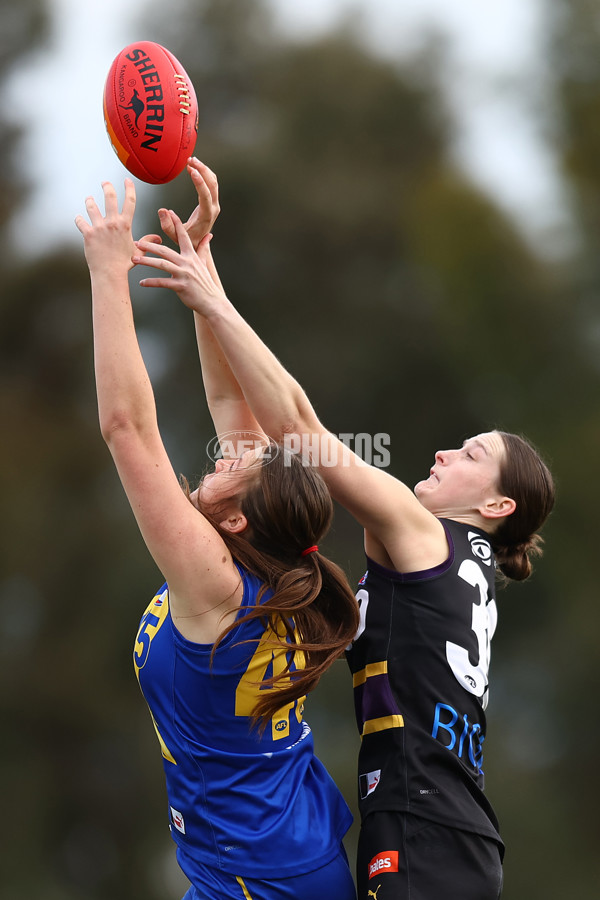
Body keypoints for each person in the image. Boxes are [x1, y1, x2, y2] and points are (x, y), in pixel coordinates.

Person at [133, 159, 555, 900]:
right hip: (432, 828)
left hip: (427, 832)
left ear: (496, 508)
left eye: (472, 456)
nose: (447, 452)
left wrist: (212, 301)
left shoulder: (428, 539)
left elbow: (295, 428)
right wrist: (204, 271)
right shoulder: (454, 559)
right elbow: (248, 435)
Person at [74, 175, 360, 900]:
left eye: (240, 461)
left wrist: (109, 275)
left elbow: (128, 430)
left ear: (236, 518)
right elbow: (233, 398)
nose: (229, 449)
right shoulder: (261, 558)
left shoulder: (214, 578)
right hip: (282, 865)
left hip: (258, 882)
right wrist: (199, 261)